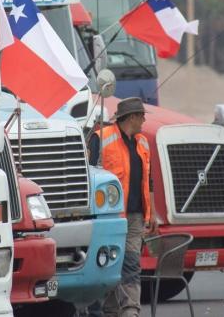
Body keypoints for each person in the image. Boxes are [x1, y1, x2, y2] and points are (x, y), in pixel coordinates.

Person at [87, 97, 155, 317]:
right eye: (142, 115)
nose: (144, 120)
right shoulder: (100, 138)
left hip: (135, 216)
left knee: (132, 262)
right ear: (132, 117)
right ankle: (111, 309)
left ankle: (130, 310)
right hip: (110, 216)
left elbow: (149, 180)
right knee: (109, 263)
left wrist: (151, 212)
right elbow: (89, 175)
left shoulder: (142, 143)